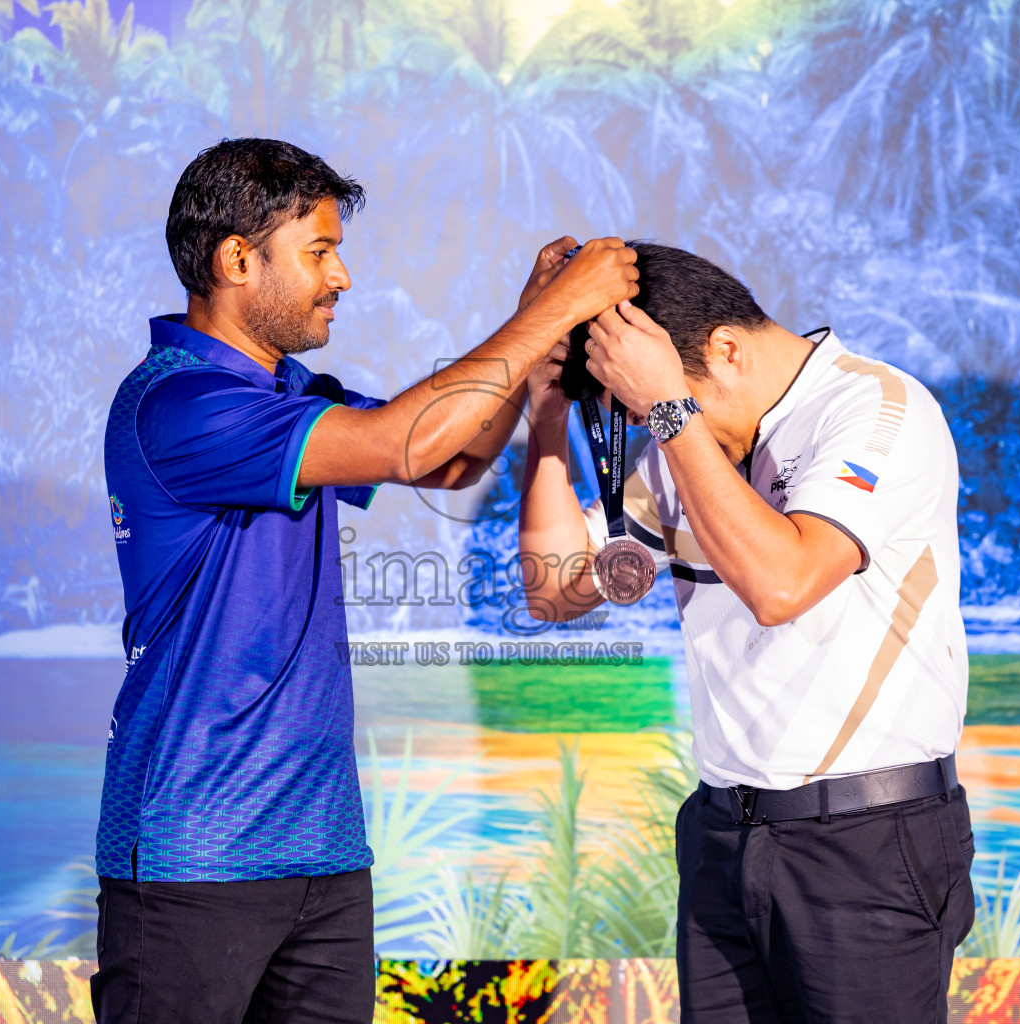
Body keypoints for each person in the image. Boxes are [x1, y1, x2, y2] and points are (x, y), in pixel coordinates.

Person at [93, 137, 637, 1024]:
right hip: (197, 855)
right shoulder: (179, 402)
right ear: (237, 259)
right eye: (318, 251)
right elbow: (399, 441)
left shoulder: (292, 396)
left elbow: (451, 458)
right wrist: (557, 310)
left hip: (325, 851)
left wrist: (533, 319)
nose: (341, 276)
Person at [518, 243, 973, 1023]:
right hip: (724, 838)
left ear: (726, 348)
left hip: (866, 844)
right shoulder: (678, 442)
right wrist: (549, 419)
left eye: (647, 404)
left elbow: (781, 583)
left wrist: (669, 410)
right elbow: (555, 588)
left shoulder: (876, 410)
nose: (647, 429)